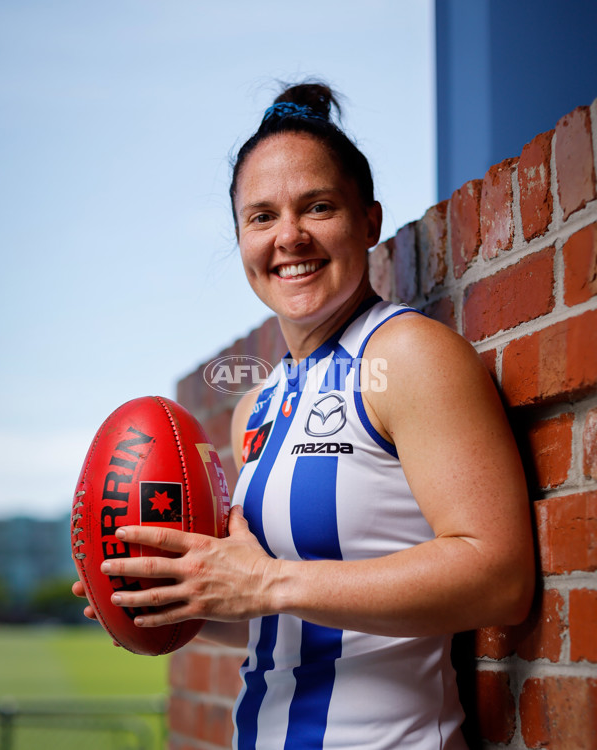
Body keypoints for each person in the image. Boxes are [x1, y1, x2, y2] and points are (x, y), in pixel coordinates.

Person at [74, 82, 535, 749]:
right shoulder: (258, 406)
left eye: (317, 207)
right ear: (240, 240)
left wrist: (266, 579)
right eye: (261, 217)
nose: (288, 237)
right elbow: (283, 616)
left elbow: (500, 577)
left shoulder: (406, 352)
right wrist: (179, 599)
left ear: (369, 222)